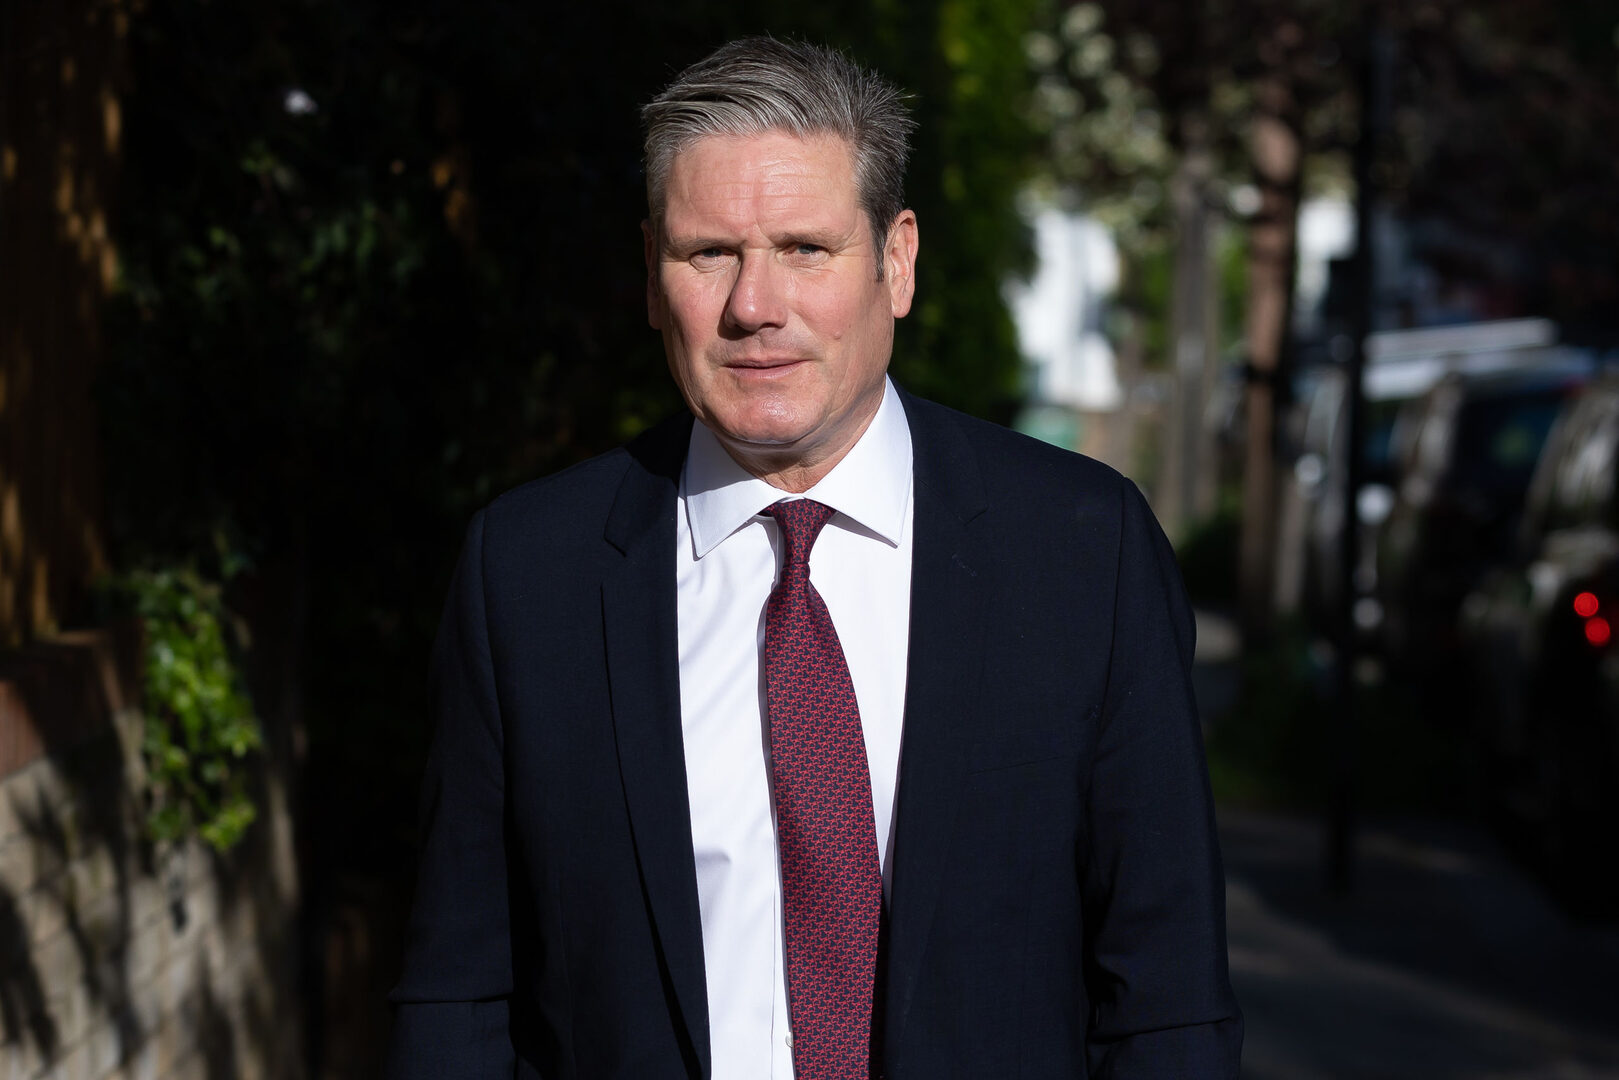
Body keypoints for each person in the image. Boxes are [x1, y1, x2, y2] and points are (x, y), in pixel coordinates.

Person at [387, 36, 1241, 1080]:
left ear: (896, 260)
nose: (754, 305)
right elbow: (458, 995)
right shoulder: (529, 576)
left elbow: (1166, 1002)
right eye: (709, 254)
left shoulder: (1080, 553)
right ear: (651, 275)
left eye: (803, 248)